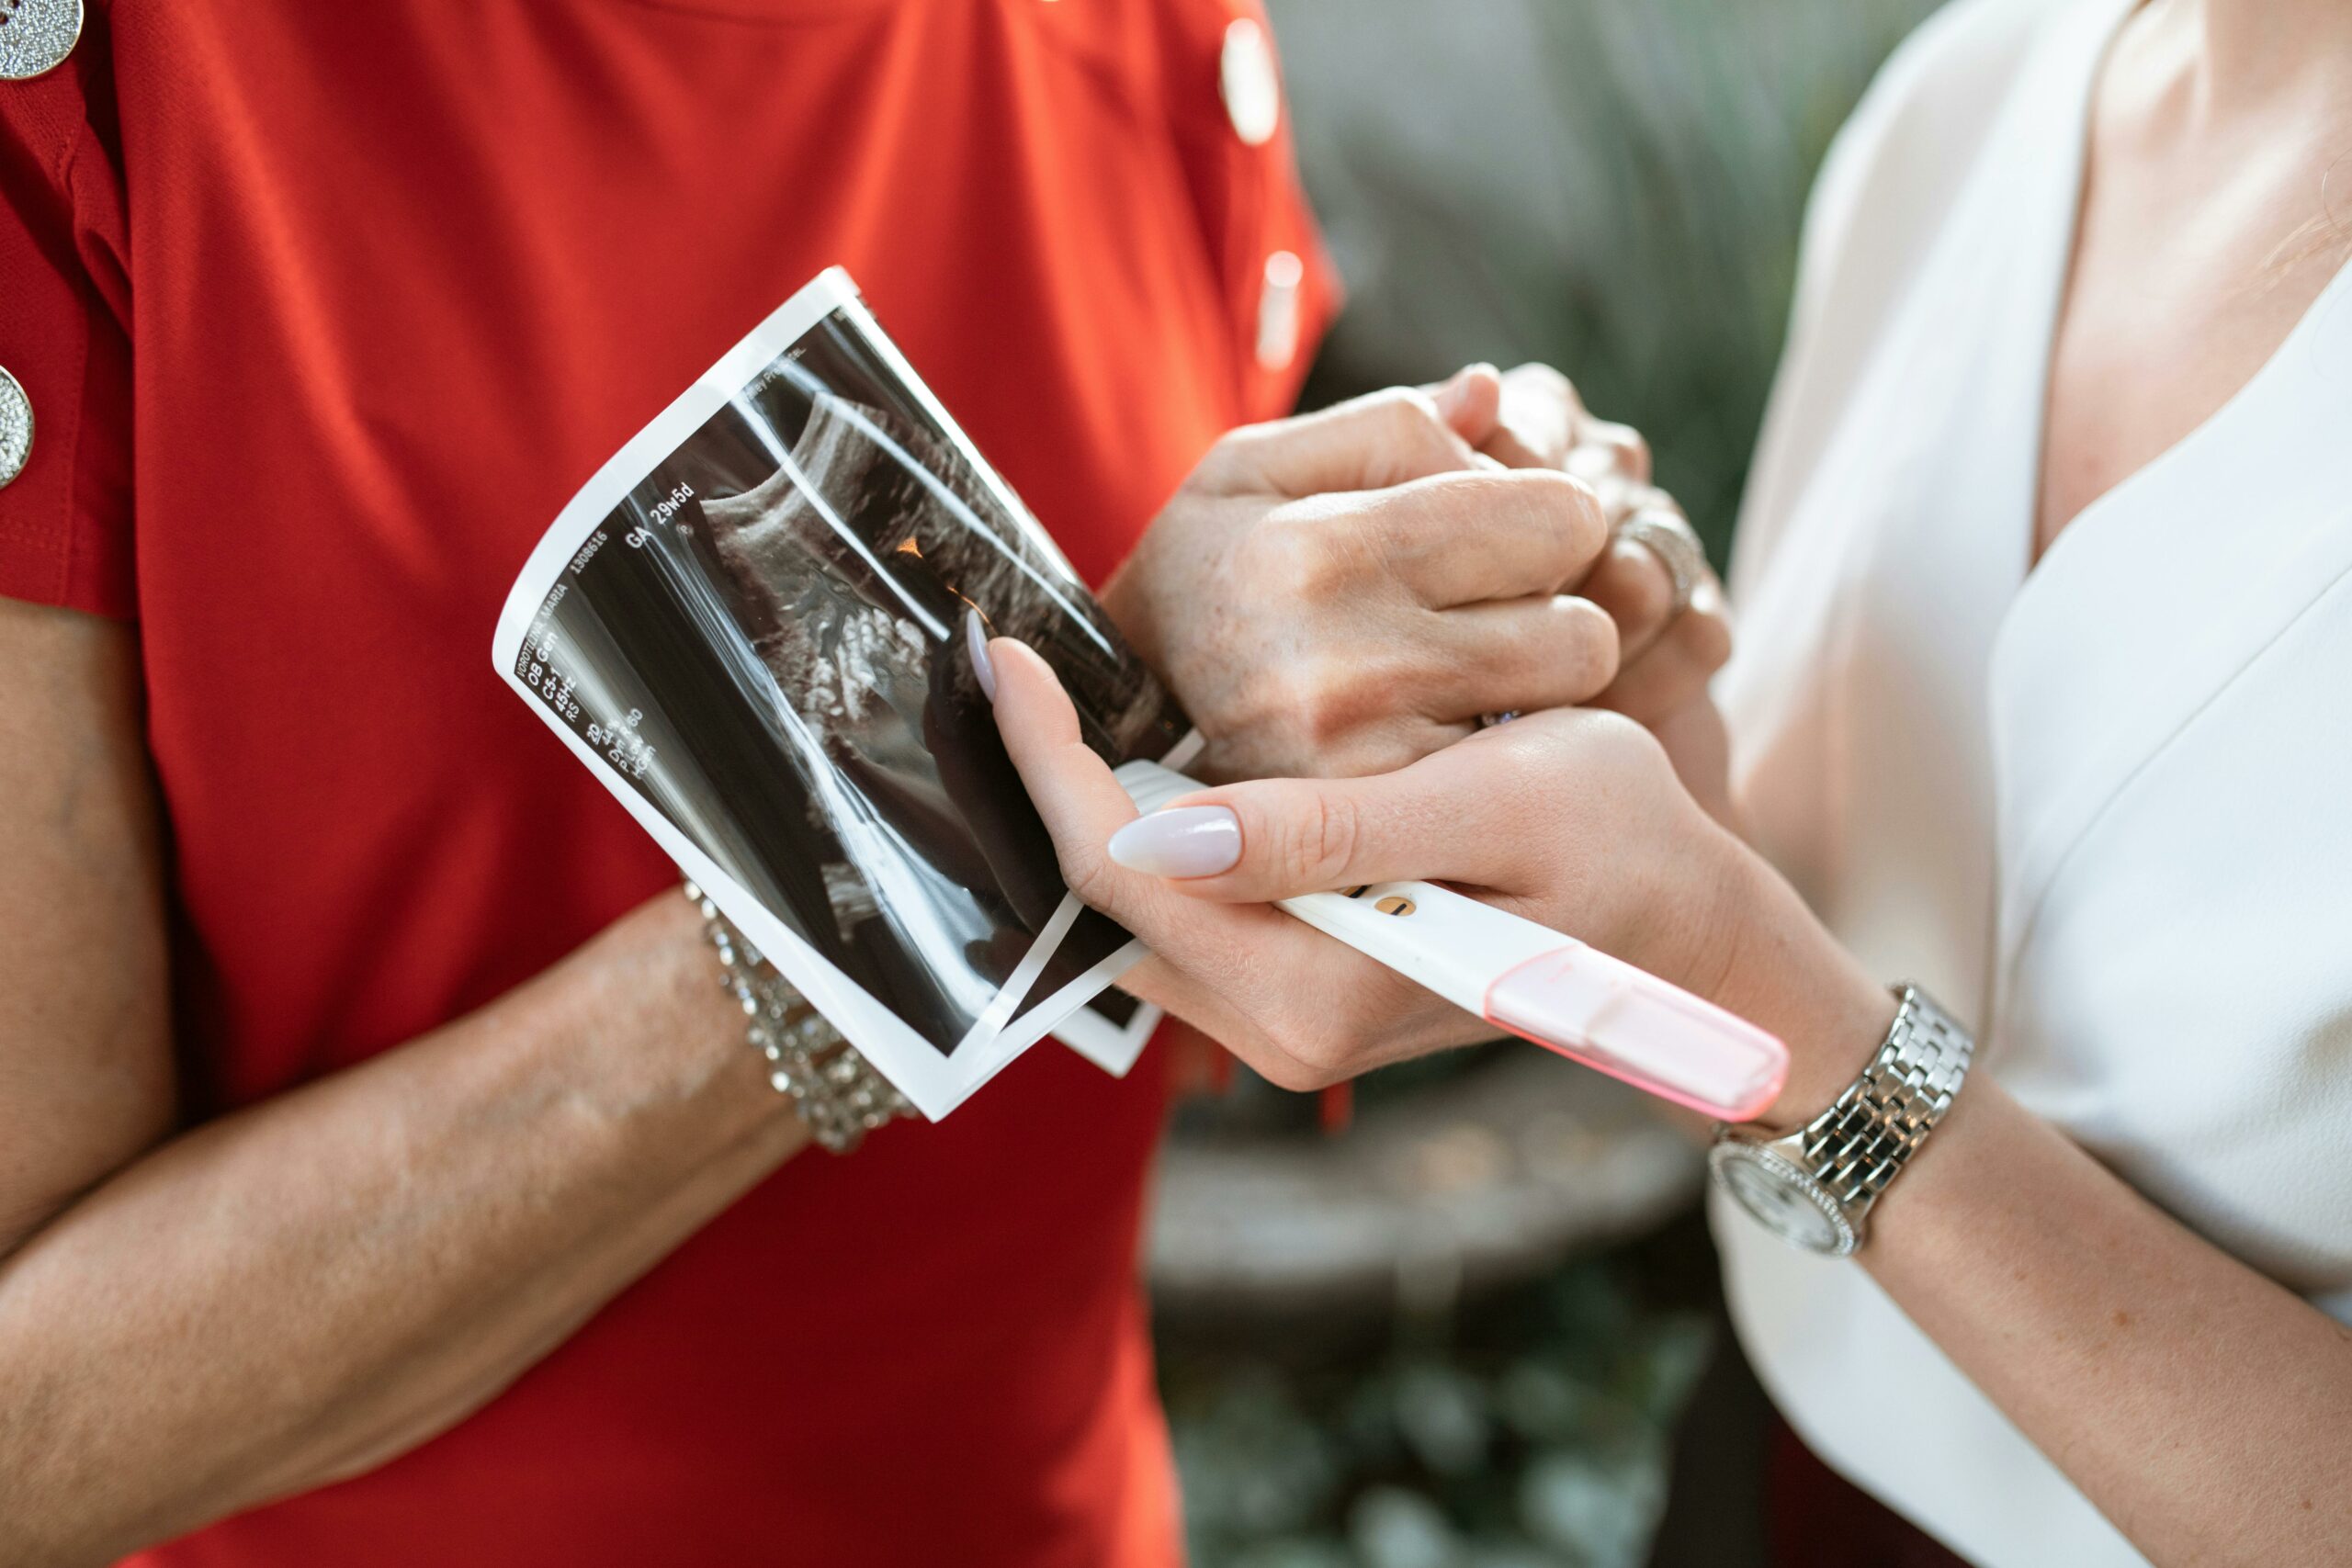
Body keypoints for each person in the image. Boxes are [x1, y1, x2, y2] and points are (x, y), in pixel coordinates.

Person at [0, 3, 1729, 1563]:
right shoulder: (97, 84)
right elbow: (32, 1426)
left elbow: (1170, 1035)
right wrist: (931, 871)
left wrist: (1477, 651)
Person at [983, 0, 2352, 1562]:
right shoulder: (1975, 102)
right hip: (1764, 1476)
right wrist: (1630, 723)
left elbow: (1789, 1000)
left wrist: (1766, 1013)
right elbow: (1852, 903)